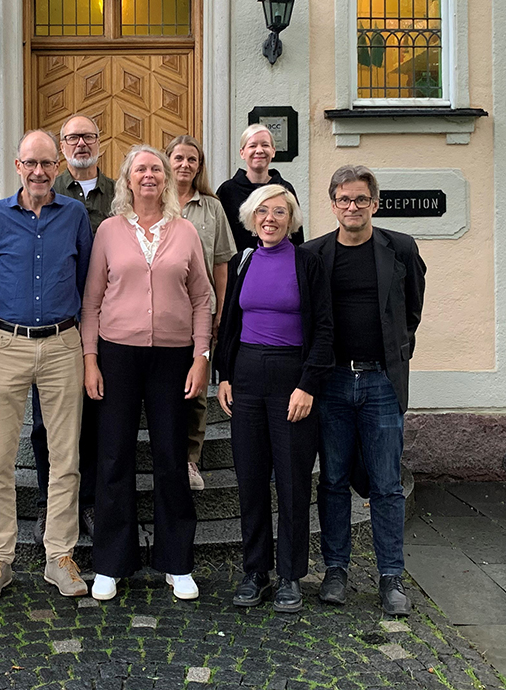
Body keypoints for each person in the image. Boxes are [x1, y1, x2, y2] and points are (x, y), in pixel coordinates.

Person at [81, 145, 212, 602]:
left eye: (156, 168)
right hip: (117, 355)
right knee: (113, 457)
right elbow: (92, 300)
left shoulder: (186, 231)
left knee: (171, 458)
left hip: (173, 359)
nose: (150, 175)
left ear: (166, 177)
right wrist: (90, 359)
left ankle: (177, 563)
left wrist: (201, 357)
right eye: (142, 169)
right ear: (128, 179)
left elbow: (203, 299)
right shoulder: (110, 232)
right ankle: (111, 565)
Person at [0, 130, 93, 602]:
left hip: (62, 343)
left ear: (57, 165)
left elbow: (85, 280)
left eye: (46, 163)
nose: (39, 172)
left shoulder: (75, 215)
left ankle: (59, 555)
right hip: (6, 342)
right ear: (16, 166)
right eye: (30, 164)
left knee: (65, 458)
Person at [302, 165, 426, 616]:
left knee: (387, 485)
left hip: (380, 382)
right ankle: (336, 570)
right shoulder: (314, 253)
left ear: (375, 203)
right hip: (332, 382)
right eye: (343, 200)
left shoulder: (401, 249)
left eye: (360, 200)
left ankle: (391, 577)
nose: (351, 207)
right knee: (333, 480)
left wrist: (396, 352)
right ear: (333, 204)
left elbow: (411, 312)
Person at [215, 185, 334, 613]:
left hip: (292, 381)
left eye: (279, 211)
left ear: (292, 219)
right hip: (246, 377)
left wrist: (308, 385)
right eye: (262, 211)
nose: (270, 218)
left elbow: (324, 329)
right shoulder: (243, 261)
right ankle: (256, 571)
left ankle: (290, 575)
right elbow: (229, 323)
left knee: (292, 481)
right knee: (250, 480)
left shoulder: (308, 263)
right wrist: (224, 376)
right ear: (250, 217)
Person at [30, 114, 111, 544]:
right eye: (72, 138)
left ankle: (93, 502)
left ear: (101, 141)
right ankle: (51, 504)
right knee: (46, 425)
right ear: (61, 149)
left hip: (103, 326)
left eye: (88, 136)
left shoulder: (121, 194)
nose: (81, 143)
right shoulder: (43, 193)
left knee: (93, 420)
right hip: (53, 329)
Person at [166, 135, 237, 491]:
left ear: (199, 166)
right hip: (159, 313)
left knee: (195, 392)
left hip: (201, 311)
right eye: (178, 158)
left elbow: (222, 263)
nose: (184, 165)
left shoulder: (212, 208)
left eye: (192, 160)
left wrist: (222, 309)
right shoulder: (152, 202)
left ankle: (190, 461)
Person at [217, 124, 304, 252]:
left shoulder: (285, 189)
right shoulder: (227, 191)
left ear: (273, 151)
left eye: (265, 145)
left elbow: (296, 234)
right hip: (237, 266)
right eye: (252, 146)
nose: (259, 150)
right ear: (242, 153)